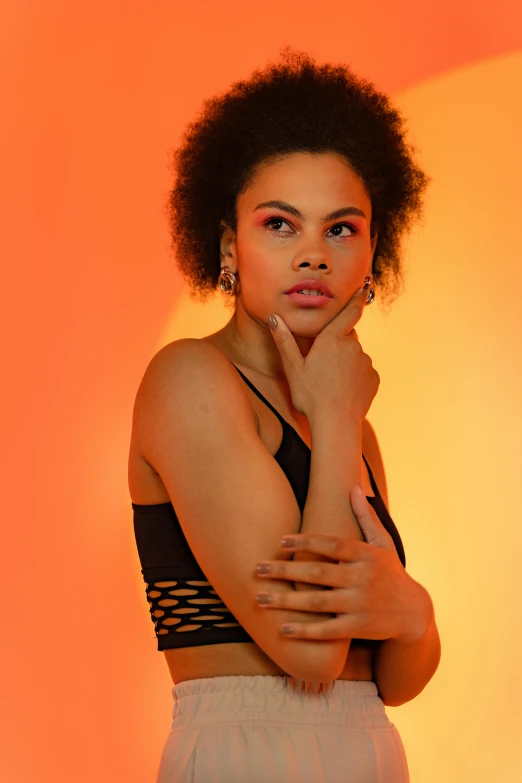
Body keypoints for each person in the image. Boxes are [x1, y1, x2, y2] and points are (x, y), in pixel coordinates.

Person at [129, 47, 441, 782]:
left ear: (374, 248)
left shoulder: (353, 427)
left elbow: (394, 676)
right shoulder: (191, 379)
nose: (313, 256)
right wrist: (332, 419)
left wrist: (414, 612)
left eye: (341, 228)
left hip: (368, 750)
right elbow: (310, 649)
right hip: (248, 752)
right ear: (229, 244)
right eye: (280, 224)